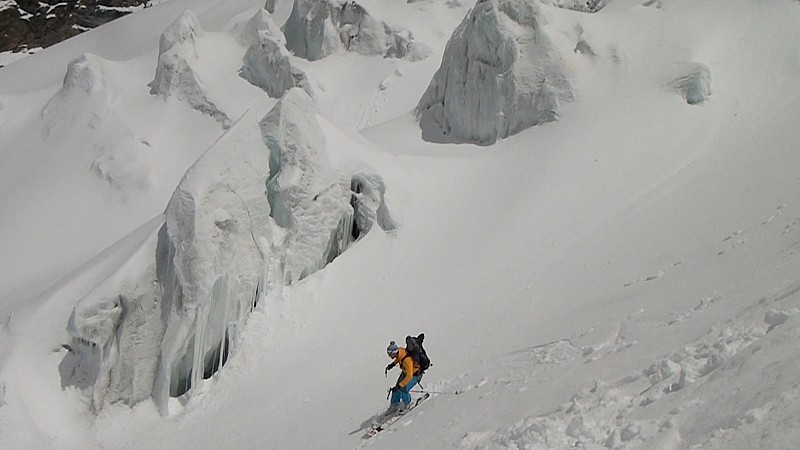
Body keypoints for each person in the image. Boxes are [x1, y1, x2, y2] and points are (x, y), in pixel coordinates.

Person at [384, 340, 419, 414]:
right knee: (396, 389)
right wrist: (393, 364)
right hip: (406, 371)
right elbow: (399, 358)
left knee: (404, 389)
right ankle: (394, 405)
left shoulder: (407, 361)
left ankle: (408, 404)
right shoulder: (400, 351)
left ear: (393, 353)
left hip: (415, 374)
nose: (389, 356)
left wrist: (401, 385)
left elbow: (410, 376)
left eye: (389, 354)